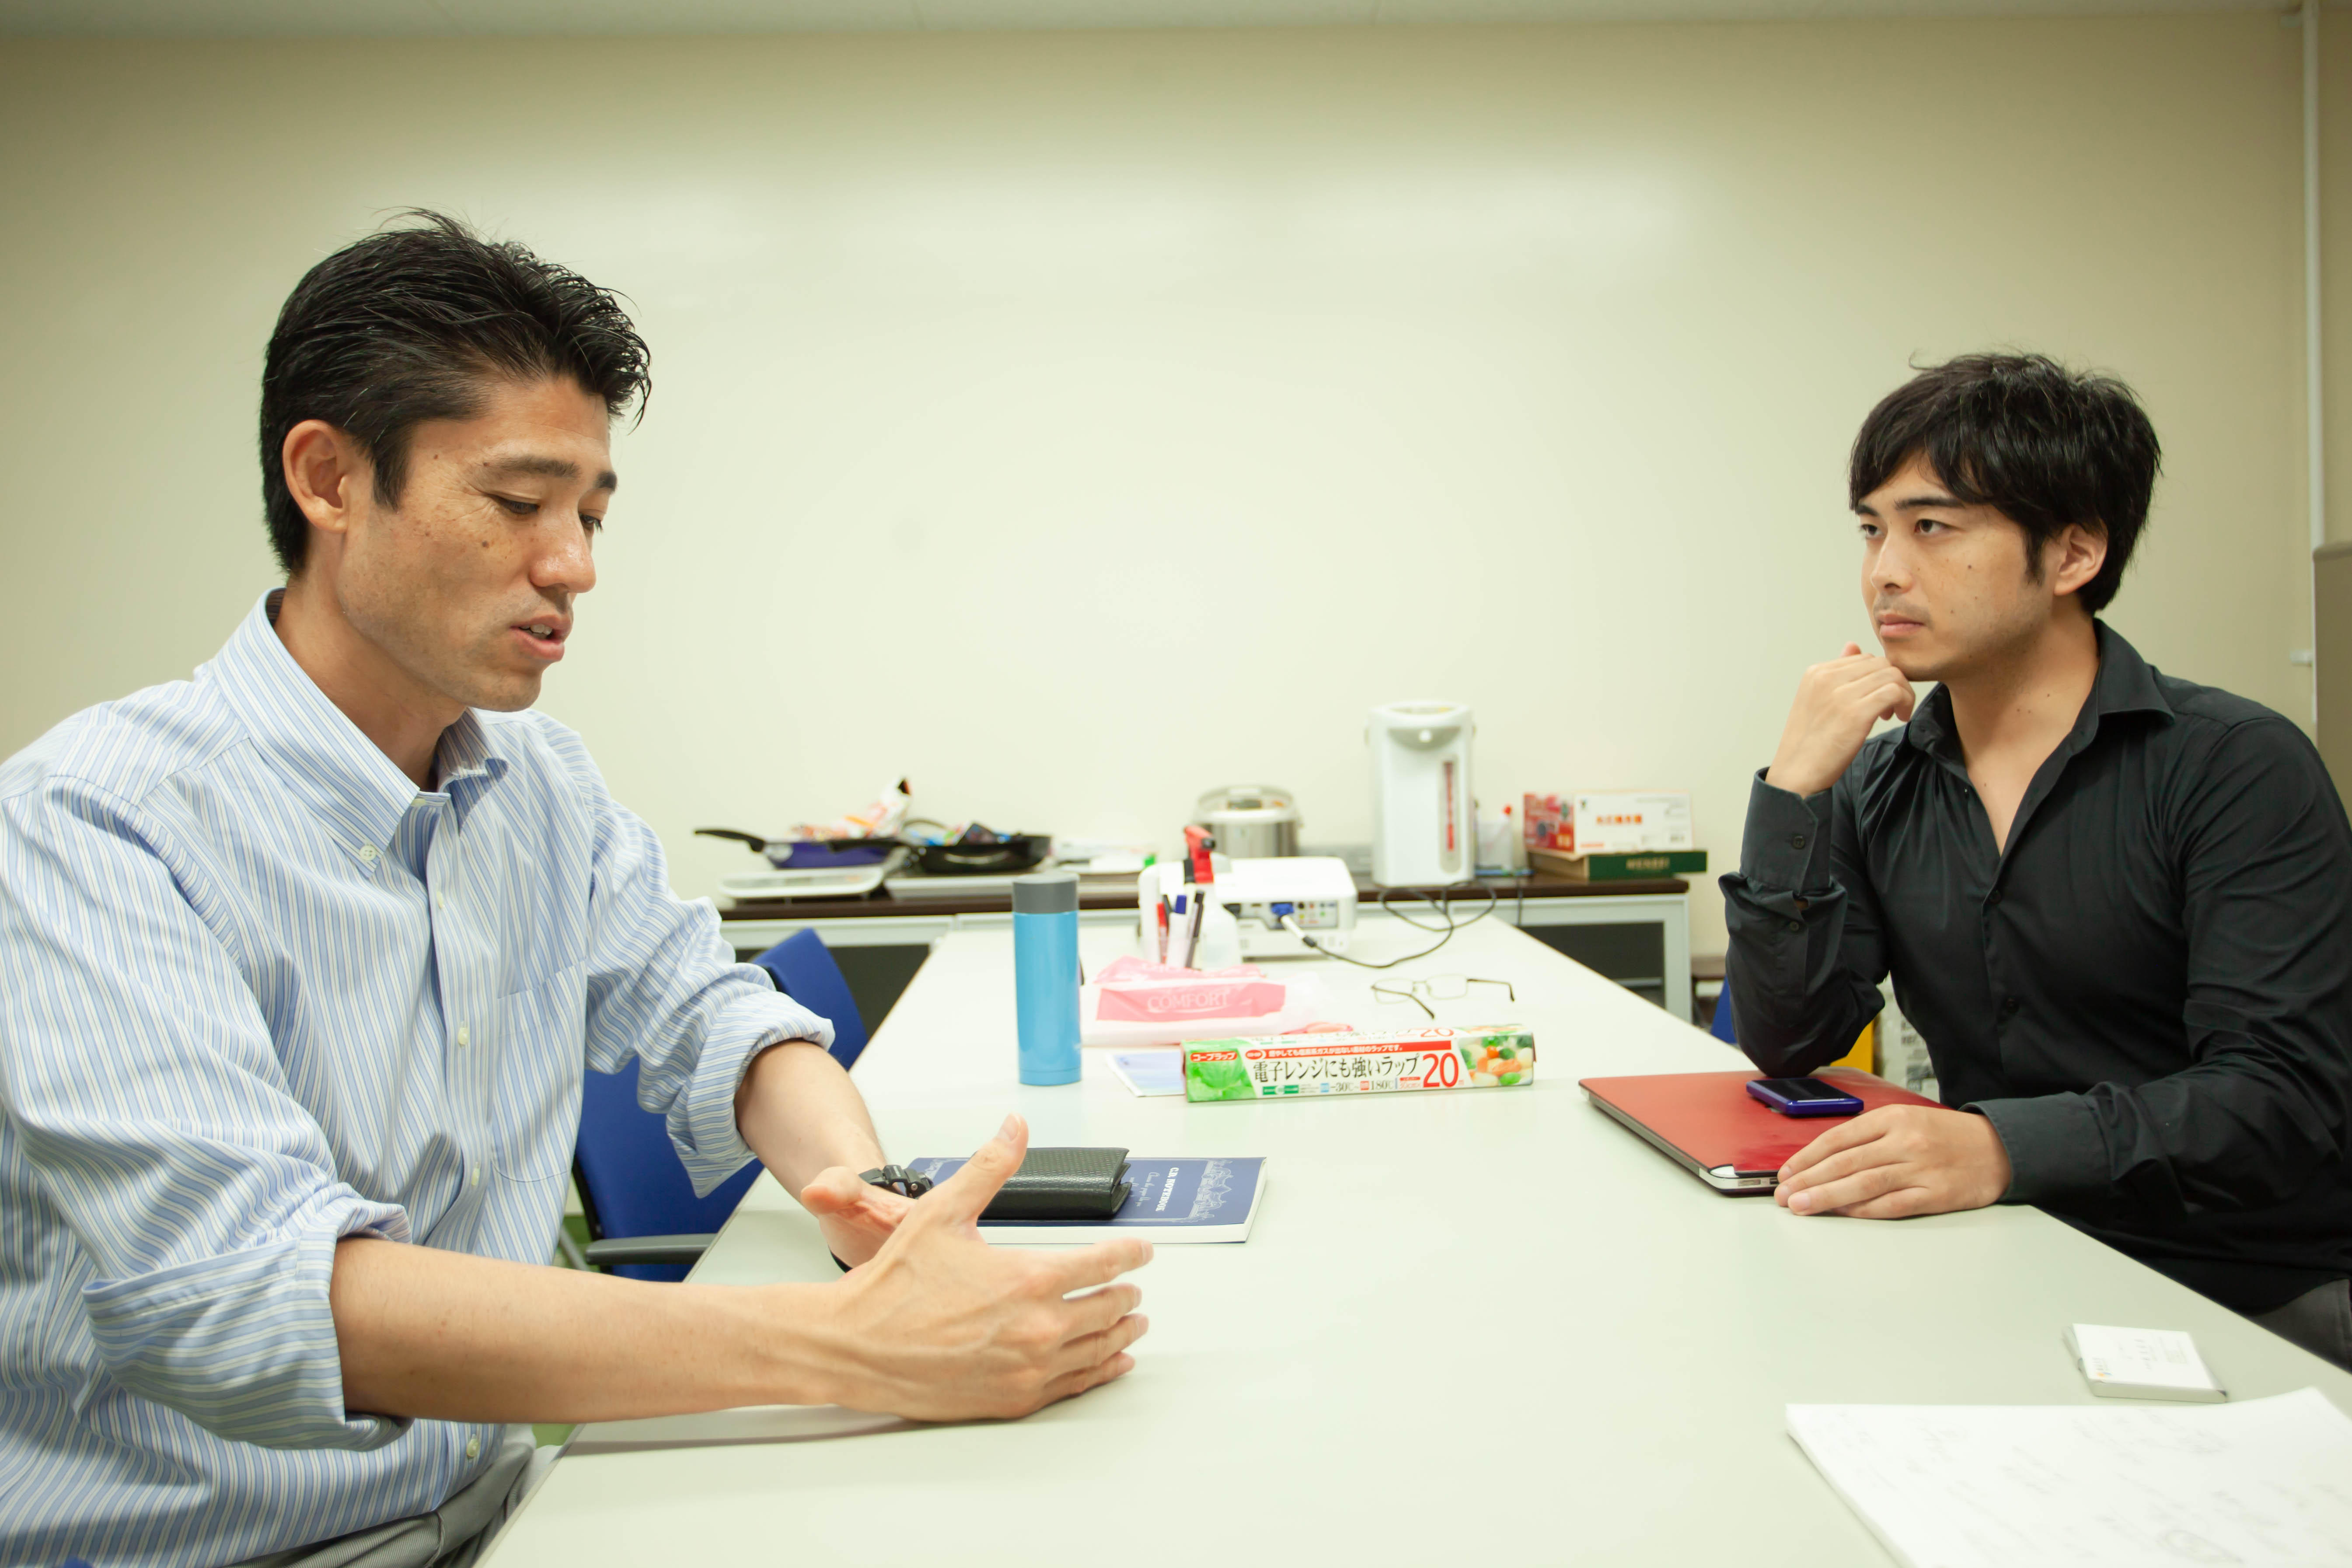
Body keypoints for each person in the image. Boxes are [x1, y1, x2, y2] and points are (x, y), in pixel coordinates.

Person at [0, 213, 1151, 1568]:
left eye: (591, 515)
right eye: (517, 504)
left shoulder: (537, 781)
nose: (574, 568)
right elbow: (256, 1294)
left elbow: (712, 1016)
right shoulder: (87, 823)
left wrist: (869, 1199)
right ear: (328, 478)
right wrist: (855, 1345)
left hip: (499, 1518)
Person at [1721, 352, 2352, 1369]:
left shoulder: (2235, 765)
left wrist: (2003, 1145)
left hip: (2243, 1290)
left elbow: (2281, 1100)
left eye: (1932, 527)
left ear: (2073, 553)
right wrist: (1790, 792)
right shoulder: (1877, 780)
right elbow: (1790, 1037)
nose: (1884, 571)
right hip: (2009, 1258)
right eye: (1872, 530)